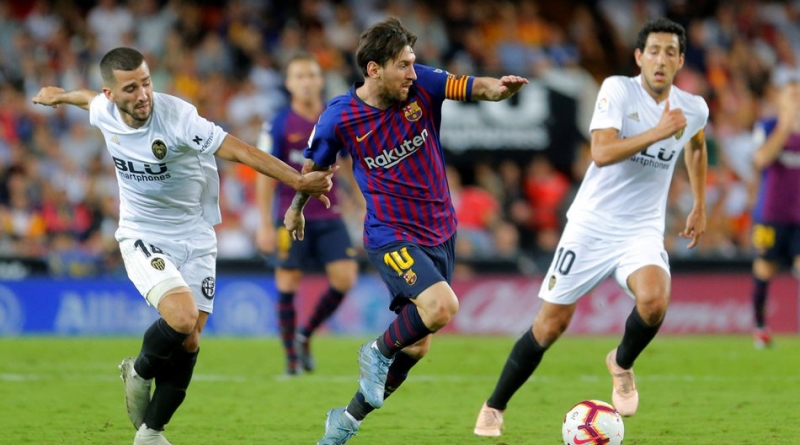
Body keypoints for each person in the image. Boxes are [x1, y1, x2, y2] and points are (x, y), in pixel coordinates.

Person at [31, 47, 334, 445]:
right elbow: (88, 99)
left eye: (146, 83)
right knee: (181, 316)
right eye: (130, 88)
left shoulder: (177, 117)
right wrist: (61, 95)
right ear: (112, 94)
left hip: (196, 235)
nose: (143, 94)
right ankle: (139, 371)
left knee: (191, 339)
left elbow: (241, 150)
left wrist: (297, 180)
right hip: (142, 233)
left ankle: (150, 433)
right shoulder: (104, 110)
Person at [282, 17, 528, 445]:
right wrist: (296, 209)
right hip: (389, 233)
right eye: (403, 65)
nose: (413, 73)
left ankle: (345, 421)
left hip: (440, 232)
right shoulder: (340, 117)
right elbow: (313, 170)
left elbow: (476, 87)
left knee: (416, 345)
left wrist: (500, 89)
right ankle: (375, 351)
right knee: (441, 307)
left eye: (413, 63)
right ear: (374, 69)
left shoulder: (425, 85)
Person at [474, 17, 708, 437]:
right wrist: (657, 131)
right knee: (550, 325)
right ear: (639, 57)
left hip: (641, 229)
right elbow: (600, 152)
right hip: (591, 226)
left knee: (654, 301)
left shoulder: (693, 108)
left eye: (670, 52)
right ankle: (494, 406)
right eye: (654, 51)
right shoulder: (618, 90)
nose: (661, 60)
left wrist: (700, 204)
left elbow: (696, 146)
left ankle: (621, 362)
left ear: (680, 61)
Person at [255, 52, 364, 375]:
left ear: (320, 81)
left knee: (345, 277)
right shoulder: (278, 124)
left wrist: (363, 205)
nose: (306, 82)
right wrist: (264, 224)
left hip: (329, 214)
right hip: (289, 215)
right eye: (299, 76)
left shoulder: (334, 118)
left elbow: (348, 164)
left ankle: (305, 334)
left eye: (312, 75)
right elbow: (264, 175)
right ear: (289, 84)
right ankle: (291, 361)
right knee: (288, 281)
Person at [749, 67, 800, 349]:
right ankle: (759, 326)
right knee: (764, 269)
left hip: (799, 215)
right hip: (771, 214)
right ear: (779, 99)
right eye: (791, 95)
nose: (796, 100)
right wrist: (785, 127)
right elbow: (760, 159)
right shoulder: (768, 127)